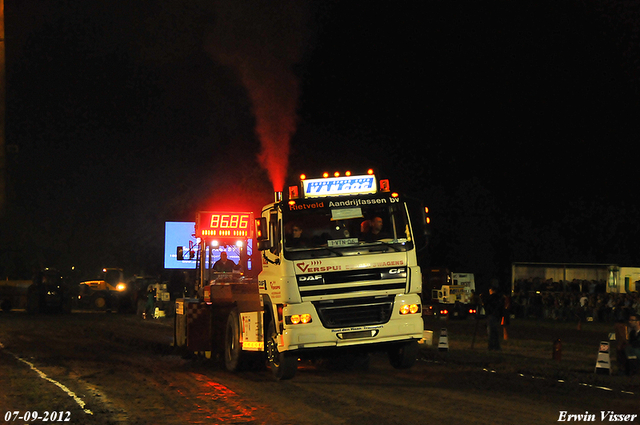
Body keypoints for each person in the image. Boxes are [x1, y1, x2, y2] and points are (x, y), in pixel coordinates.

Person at [483, 284, 504, 351]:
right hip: (496, 316)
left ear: (491, 290)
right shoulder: (499, 298)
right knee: (495, 332)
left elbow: (487, 306)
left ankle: (491, 346)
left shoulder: (491, 298)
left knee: (491, 332)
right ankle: (497, 346)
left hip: (491, 316)